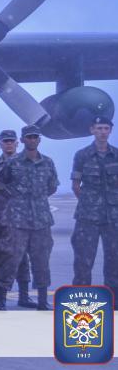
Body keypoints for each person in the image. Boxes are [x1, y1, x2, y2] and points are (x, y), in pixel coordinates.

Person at [0, 125, 57, 311]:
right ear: (23, 139)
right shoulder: (13, 163)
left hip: (41, 219)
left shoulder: (48, 163)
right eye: (28, 137)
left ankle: (43, 300)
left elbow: (52, 186)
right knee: (9, 258)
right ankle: (0, 299)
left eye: (35, 137)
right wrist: (17, 198)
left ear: (39, 139)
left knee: (41, 259)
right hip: (16, 220)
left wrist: (37, 199)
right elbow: (1, 183)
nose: (32, 140)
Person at [70, 116, 118, 294]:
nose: (102, 132)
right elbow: (76, 186)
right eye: (99, 128)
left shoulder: (117, 154)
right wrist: (89, 204)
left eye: (106, 128)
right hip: (87, 218)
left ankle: (114, 303)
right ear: (92, 130)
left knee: (114, 262)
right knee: (83, 261)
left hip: (113, 218)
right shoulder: (82, 155)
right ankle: (81, 302)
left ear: (110, 131)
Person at [0, 129, 34, 309]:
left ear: (17, 143)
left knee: (23, 257)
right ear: (0, 144)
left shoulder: (26, 163)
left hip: (20, 217)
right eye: (5, 141)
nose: (8, 144)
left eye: (11, 141)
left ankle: (24, 296)